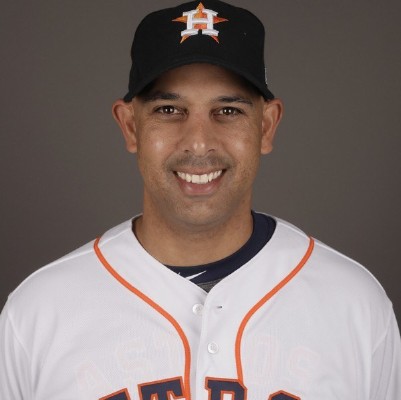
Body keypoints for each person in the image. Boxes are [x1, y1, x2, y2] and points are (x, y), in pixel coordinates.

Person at [1, 0, 400, 398]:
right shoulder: (39, 314)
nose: (198, 142)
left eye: (227, 110)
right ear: (130, 126)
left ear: (266, 126)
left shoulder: (353, 305)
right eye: (169, 109)